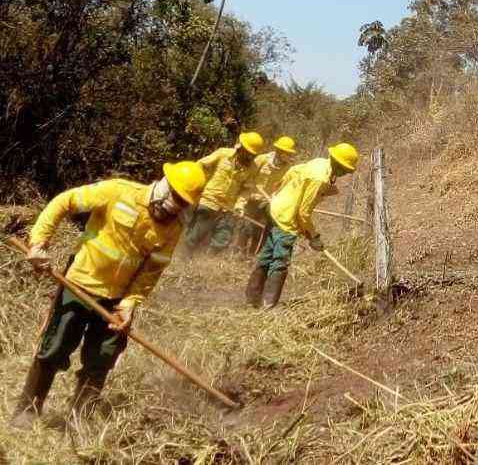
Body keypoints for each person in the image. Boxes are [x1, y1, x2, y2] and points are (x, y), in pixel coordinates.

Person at [9, 162, 206, 428]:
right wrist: (39, 243)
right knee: (54, 348)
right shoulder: (117, 191)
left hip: (117, 300)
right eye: (175, 198)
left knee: (102, 358)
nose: (175, 207)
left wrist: (130, 303)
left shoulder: (173, 228)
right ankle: (28, 411)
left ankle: (80, 420)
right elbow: (63, 202)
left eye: (183, 203)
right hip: (79, 284)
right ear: (163, 185)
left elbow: (152, 270)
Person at [245, 143, 358, 309]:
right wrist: (314, 236)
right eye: (346, 170)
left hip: (276, 208)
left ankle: (252, 297)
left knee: (267, 254)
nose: (345, 173)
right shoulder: (320, 178)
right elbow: (303, 213)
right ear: (340, 166)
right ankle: (268, 304)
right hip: (287, 219)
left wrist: (280, 189)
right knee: (280, 260)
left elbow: (293, 171)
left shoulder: (319, 162)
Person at [184, 132, 264, 255]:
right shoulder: (223, 154)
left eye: (252, 155)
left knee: (222, 238)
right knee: (196, 234)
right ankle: (183, 259)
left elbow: (247, 190)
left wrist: (239, 205)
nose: (249, 157)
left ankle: (206, 263)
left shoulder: (252, 168)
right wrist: (197, 185)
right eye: (248, 153)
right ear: (241, 148)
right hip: (209, 200)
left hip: (229, 208)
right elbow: (200, 165)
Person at [234, 135, 298, 254]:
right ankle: (238, 253)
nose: (289, 156)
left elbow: (284, 187)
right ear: (279, 151)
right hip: (252, 200)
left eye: (290, 154)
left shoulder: (288, 169)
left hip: (268, 203)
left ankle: (252, 256)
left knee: (260, 230)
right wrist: (241, 200)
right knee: (246, 227)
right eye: (287, 153)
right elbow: (249, 178)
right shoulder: (262, 160)